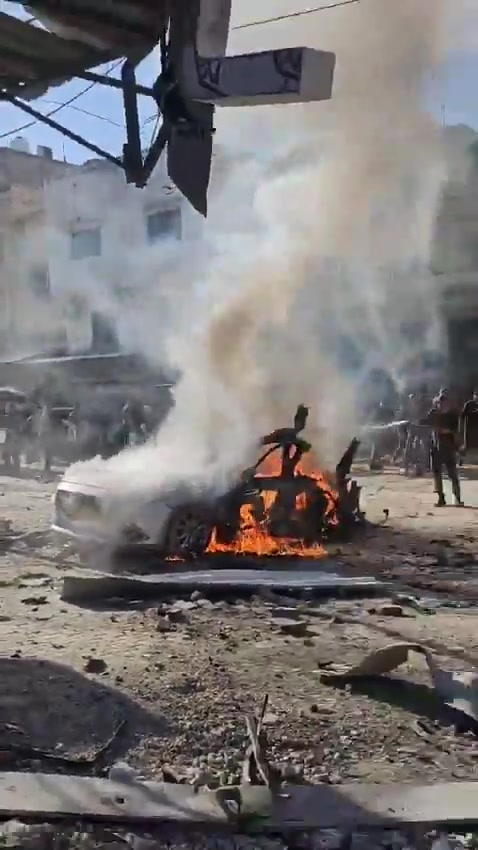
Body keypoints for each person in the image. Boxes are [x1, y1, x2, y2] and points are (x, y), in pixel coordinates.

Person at [422, 391, 463, 507]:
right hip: (435, 448)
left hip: (449, 447)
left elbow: (454, 431)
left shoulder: (452, 416)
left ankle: (458, 498)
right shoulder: (433, 413)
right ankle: (441, 498)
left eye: (444, 403)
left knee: (453, 475)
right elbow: (426, 425)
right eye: (440, 403)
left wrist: (441, 430)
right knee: (437, 474)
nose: (442, 405)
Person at [461, 389, 478, 455]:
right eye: (476, 395)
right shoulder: (469, 404)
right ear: (474, 395)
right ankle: (462, 459)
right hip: (469, 429)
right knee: (468, 446)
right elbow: (463, 415)